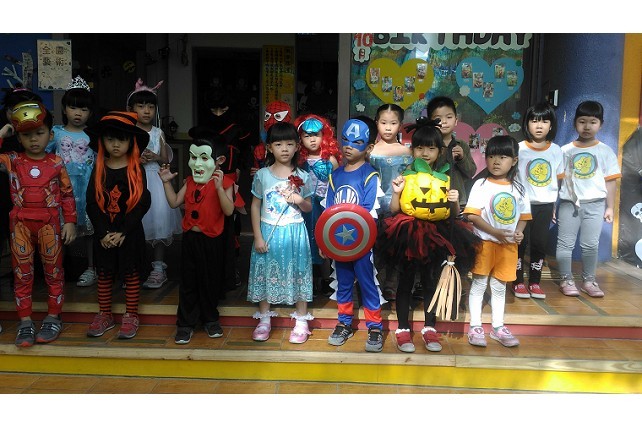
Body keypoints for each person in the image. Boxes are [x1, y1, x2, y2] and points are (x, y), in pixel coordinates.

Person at [378, 118, 480, 353]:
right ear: (412, 150)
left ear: (439, 152)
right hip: (408, 232)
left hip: (437, 233)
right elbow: (395, 209)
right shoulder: (406, 176)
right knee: (405, 280)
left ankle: (429, 327)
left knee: (430, 281)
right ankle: (403, 328)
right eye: (420, 148)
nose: (425, 153)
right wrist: (397, 193)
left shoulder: (444, 178)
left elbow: (451, 213)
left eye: (431, 148)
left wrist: (455, 202)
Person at [0, 101, 77, 347]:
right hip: (20, 226)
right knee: (22, 274)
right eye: (26, 135)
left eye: (39, 133)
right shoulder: (13, 161)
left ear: (50, 135)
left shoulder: (56, 163)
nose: (34, 139)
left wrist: (70, 222)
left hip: (49, 226)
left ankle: (53, 317)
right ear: (18, 137)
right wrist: (2, 133)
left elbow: (67, 194)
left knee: (54, 272)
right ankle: (25, 322)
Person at [159, 130, 235, 345]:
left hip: (212, 240)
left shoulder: (226, 182)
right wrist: (166, 183)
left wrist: (219, 188)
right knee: (188, 282)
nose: (197, 163)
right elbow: (174, 202)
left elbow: (229, 210)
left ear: (219, 161)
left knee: (210, 282)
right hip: (190, 240)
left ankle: (210, 319)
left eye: (204, 157)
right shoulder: (190, 181)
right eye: (193, 157)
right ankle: (185, 323)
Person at [84, 111, 151, 339]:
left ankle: (131, 314)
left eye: (121, 140)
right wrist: (103, 232)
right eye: (110, 139)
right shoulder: (99, 169)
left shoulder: (137, 169)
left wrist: (123, 231)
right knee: (104, 274)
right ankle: (105, 314)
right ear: (102, 141)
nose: (115, 144)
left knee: (131, 274)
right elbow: (91, 202)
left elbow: (142, 203)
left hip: (129, 232)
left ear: (131, 142)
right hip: (104, 232)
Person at [247, 121, 314, 344]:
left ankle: (301, 320)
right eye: (278, 144)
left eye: (289, 144)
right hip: (268, 231)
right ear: (269, 148)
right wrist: (257, 236)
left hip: (294, 232)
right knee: (266, 272)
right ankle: (264, 318)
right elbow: (255, 205)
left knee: (298, 271)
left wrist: (298, 200)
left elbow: (308, 207)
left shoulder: (303, 176)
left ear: (297, 147)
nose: (284, 149)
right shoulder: (262, 175)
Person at [463, 135, 531, 348]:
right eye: (491, 156)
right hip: (484, 244)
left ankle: (498, 327)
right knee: (479, 284)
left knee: (500, 286)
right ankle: (475, 326)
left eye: (503, 157)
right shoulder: (481, 185)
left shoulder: (519, 188)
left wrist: (518, 233)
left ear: (514, 160)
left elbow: (524, 217)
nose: (496, 161)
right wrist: (495, 232)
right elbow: (472, 216)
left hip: (508, 246)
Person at [324, 118, 385, 352]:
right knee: (343, 283)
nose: (349, 146)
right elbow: (328, 213)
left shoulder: (370, 176)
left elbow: (368, 212)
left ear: (368, 147)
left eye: (357, 142)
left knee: (368, 283)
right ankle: (344, 323)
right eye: (346, 140)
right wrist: (325, 242)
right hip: (339, 244)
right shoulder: (335, 175)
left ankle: (375, 326)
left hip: (362, 244)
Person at [556, 100, 621, 298]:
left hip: (596, 205)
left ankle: (589, 281)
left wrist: (610, 207)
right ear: (575, 122)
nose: (587, 126)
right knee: (565, 244)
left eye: (593, 122)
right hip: (569, 204)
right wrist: (553, 206)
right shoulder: (565, 151)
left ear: (601, 124)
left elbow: (610, 182)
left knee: (591, 245)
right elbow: (557, 182)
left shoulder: (605, 151)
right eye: (582, 121)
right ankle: (566, 279)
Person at [126, 78, 182, 289]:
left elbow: (166, 160)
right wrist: (136, 159)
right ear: (132, 108)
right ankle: (134, 268)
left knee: (159, 221)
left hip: (156, 181)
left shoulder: (158, 133)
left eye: (150, 106)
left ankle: (158, 267)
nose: (146, 110)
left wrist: (156, 157)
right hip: (134, 179)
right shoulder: (128, 131)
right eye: (141, 106)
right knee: (134, 223)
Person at [45, 76, 98, 287]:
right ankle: (58, 268)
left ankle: (91, 268)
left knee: (90, 231)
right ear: (64, 109)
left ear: (90, 113)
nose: (78, 113)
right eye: (73, 107)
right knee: (59, 229)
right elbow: (43, 155)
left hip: (87, 189)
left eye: (84, 109)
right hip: (61, 190)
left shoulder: (93, 135)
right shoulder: (56, 133)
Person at [513, 102, 564, 299]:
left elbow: (558, 180)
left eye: (544, 121)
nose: (539, 125)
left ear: (551, 125)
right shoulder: (519, 149)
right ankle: (517, 281)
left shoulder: (556, 150)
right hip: (522, 206)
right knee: (520, 243)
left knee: (539, 244)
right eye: (534, 121)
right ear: (527, 124)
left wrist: (554, 205)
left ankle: (534, 282)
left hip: (545, 205)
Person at [293, 113, 342, 296]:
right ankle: (309, 279)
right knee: (306, 240)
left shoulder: (330, 160)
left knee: (325, 239)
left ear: (324, 136)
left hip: (324, 206)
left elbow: (337, 185)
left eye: (316, 135)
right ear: (300, 138)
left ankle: (326, 279)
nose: (312, 140)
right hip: (304, 206)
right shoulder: (298, 160)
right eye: (307, 136)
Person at [0, 87, 43, 285]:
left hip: (28, 190)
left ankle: (32, 274)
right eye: (15, 110)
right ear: (8, 110)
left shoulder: (34, 128)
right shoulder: (4, 127)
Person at [369, 103, 412, 301]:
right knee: (375, 246)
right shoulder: (370, 150)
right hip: (374, 205)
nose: (388, 127)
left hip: (397, 205)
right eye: (383, 122)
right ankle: (374, 284)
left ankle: (391, 285)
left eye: (393, 123)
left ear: (400, 124)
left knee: (395, 247)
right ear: (376, 123)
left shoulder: (406, 152)